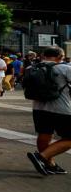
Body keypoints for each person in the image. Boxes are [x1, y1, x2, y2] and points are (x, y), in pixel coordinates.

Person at [26, 47, 71, 175]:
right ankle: (42, 157)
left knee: (44, 135)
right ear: (60, 57)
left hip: (38, 108)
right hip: (61, 108)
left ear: (43, 55)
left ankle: (50, 164)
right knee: (69, 138)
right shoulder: (65, 68)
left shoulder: (32, 68)